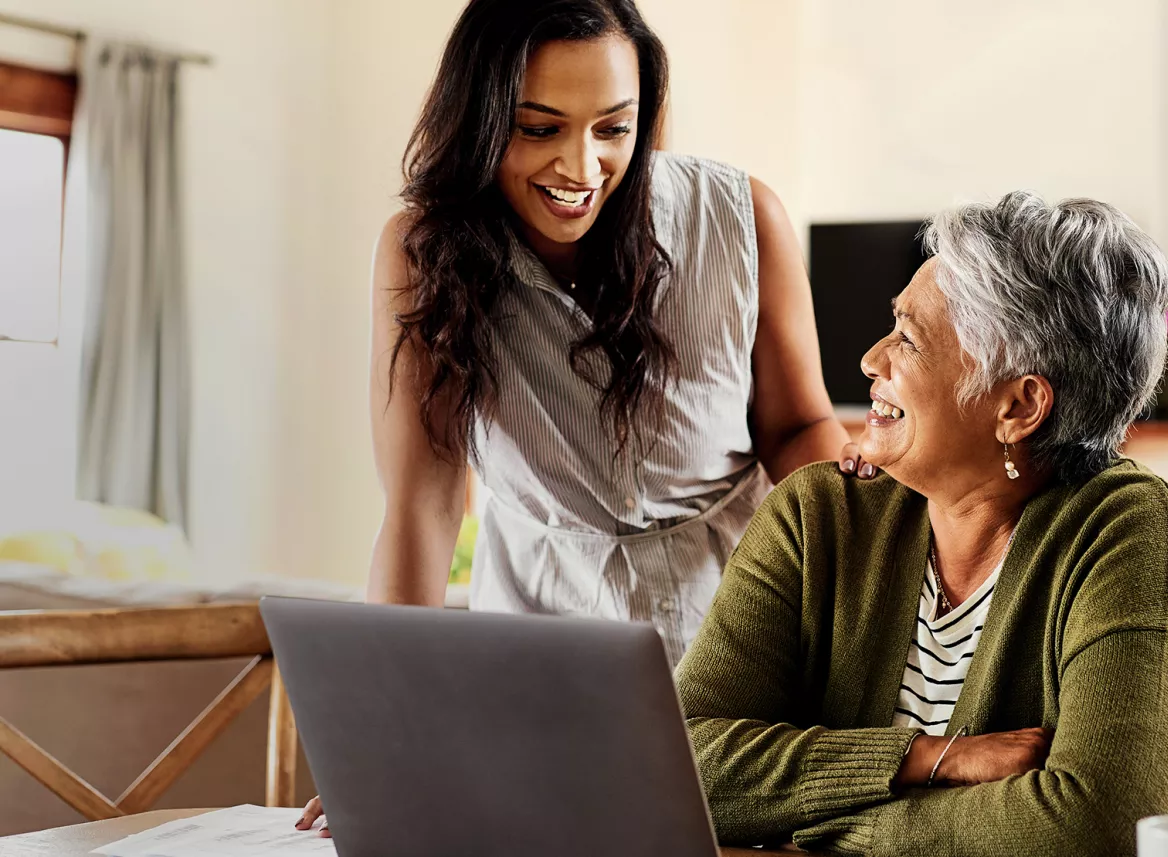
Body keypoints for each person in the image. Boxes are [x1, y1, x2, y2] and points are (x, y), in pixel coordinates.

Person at [298, 0, 871, 836]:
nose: (582, 164)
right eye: (539, 127)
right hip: (541, 650)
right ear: (481, 117)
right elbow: (422, 505)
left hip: (743, 631)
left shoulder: (742, 217)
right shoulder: (424, 255)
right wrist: (386, 743)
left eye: (614, 127)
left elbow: (797, 428)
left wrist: (859, 547)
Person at [675, 192, 1168, 856]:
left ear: (1020, 405)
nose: (872, 360)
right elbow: (679, 763)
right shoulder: (821, 513)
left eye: (908, 338)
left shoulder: (1128, 526)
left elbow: (1097, 828)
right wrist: (929, 757)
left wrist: (821, 827)